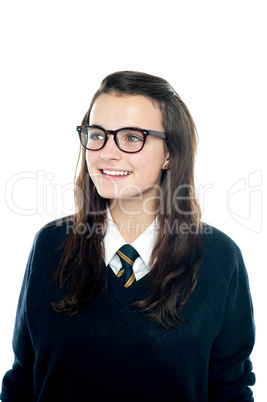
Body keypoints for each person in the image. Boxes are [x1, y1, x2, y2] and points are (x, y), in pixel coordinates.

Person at [1, 71, 255, 401]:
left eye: (132, 137)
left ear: (169, 153)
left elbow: (230, 389)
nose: (107, 152)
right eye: (97, 134)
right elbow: (24, 379)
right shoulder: (50, 244)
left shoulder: (220, 258)